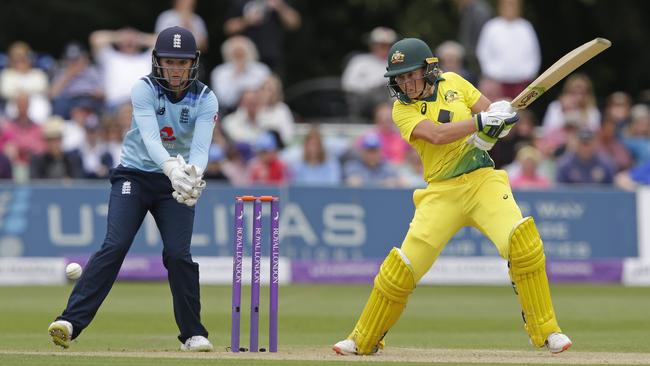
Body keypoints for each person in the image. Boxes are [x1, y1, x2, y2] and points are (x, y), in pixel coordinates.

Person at [332, 37, 572, 356]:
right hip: (441, 192)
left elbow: (494, 119)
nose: (405, 82)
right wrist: (481, 123)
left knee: (523, 243)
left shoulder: (456, 82)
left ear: (429, 69)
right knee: (401, 267)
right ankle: (363, 339)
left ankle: (546, 332)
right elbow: (436, 134)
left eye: (409, 74)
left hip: (482, 181)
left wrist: (494, 129)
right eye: (399, 77)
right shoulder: (401, 109)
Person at [48, 26, 218, 352]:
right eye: (169, 62)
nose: (176, 69)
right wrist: (171, 168)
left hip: (177, 181)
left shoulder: (206, 98)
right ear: (158, 61)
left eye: (182, 63)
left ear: (193, 63)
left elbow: (200, 148)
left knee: (178, 255)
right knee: (116, 245)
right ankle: (69, 322)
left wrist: (193, 175)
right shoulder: (144, 89)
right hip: (135, 176)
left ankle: (193, 334)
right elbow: (151, 139)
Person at [476, 0, 540, 99]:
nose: (510, 8)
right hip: (497, 82)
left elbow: (534, 54)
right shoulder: (492, 27)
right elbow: (483, 52)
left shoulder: (525, 27)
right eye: (507, 5)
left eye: (513, 5)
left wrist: (529, 73)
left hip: (521, 82)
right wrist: (491, 73)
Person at [223, 0, 301, 76]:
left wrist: (280, 6)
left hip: (273, 57)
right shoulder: (240, 2)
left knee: (271, 87)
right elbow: (228, 28)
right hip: (246, 59)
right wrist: (247, 21)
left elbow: (294, 24)